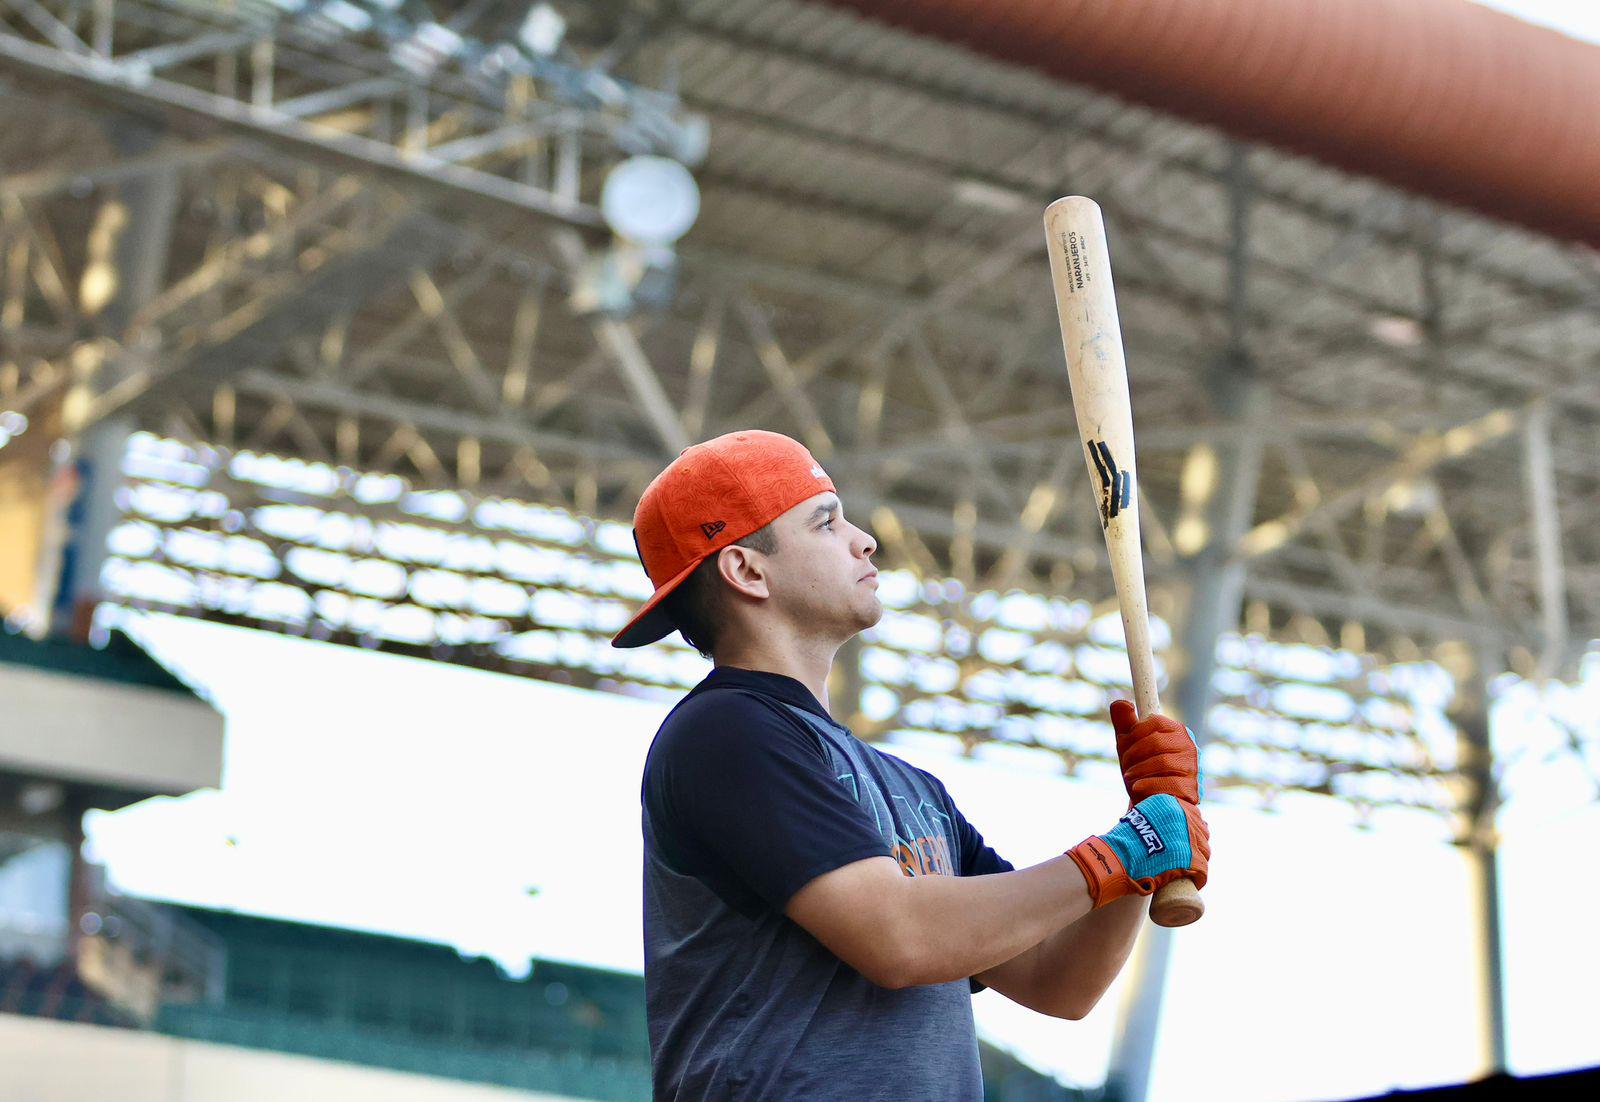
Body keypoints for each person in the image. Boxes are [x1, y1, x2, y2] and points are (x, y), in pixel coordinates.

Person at [611, 429, 1209, 1101]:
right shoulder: (725, 731)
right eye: (826, 523)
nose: (864, 540)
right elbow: (896, 938)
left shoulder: (912, 789)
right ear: (747, 571)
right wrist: (1120, 853)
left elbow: (1059, 982)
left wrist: (1141, 838)